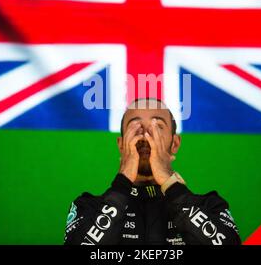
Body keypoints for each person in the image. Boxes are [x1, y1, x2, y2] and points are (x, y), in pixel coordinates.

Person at [64, 98, 241, 245]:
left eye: (157, 127)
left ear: (175, 143)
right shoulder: (87, 207)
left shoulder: (210, 206)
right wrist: (123, 180)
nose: (146, 135)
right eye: (135, 127)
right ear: (120, 144)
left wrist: (170, 184)